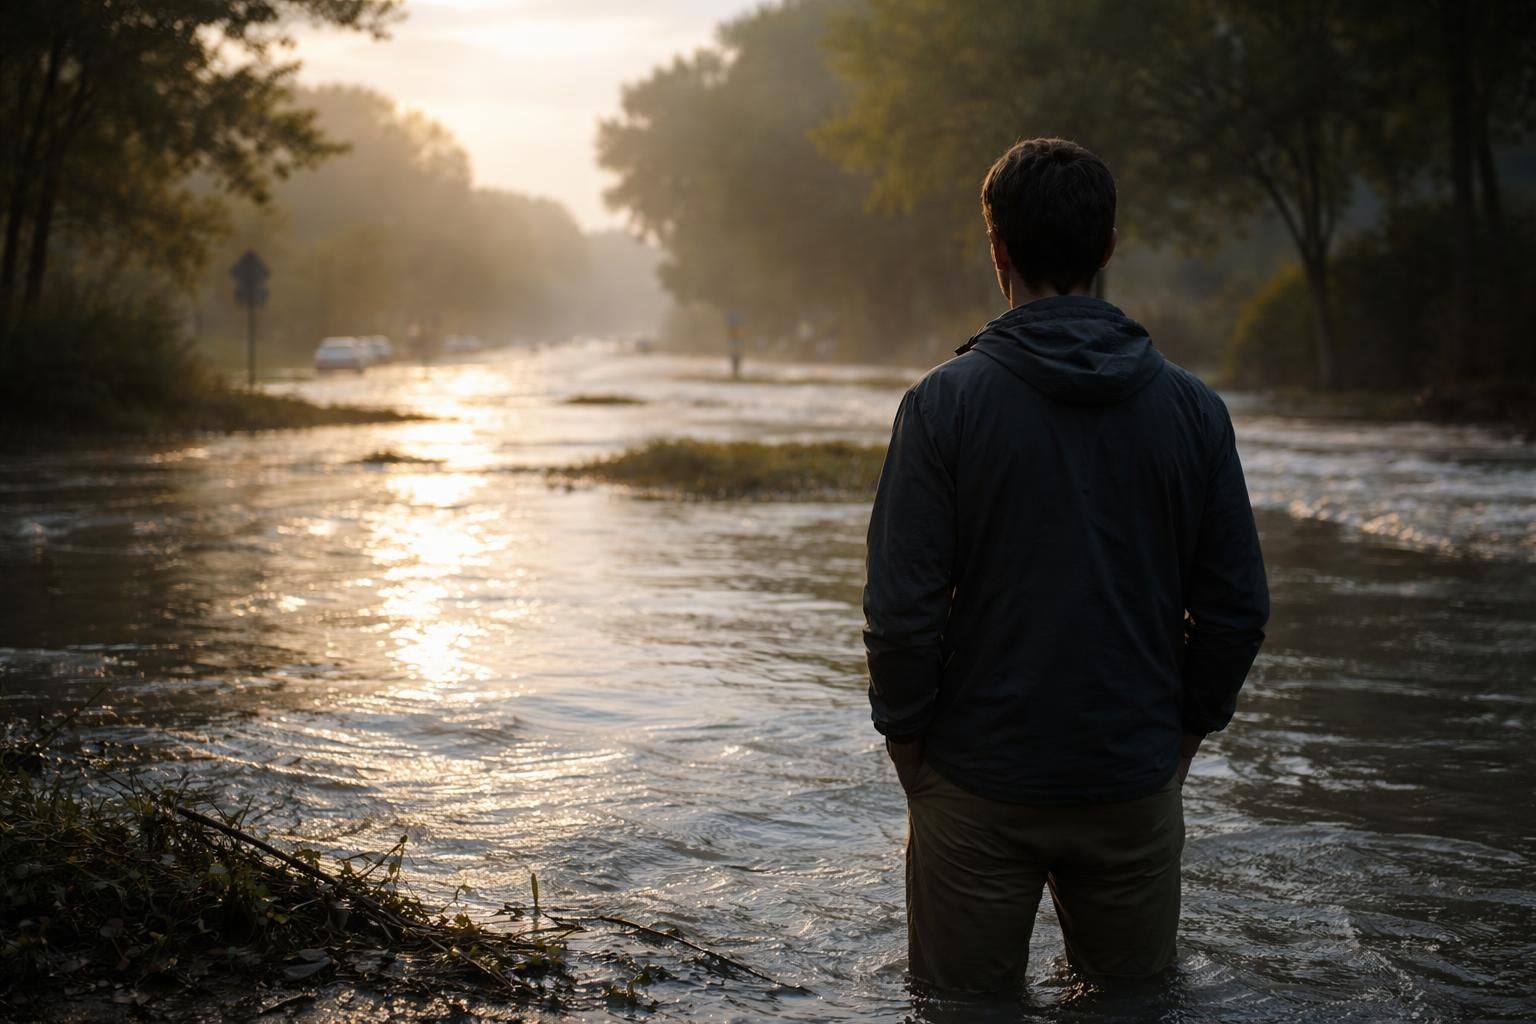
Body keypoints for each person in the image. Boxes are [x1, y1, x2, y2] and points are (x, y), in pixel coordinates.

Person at [863, 137, 1269, 993]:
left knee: (959, 1012)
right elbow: (1236, 610)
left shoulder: (943, 405)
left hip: (976, 784)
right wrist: (1180, 740)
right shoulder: (1195, 411)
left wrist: (912, 754)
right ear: (1110, 248)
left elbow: (903, 613)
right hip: (1131, 783)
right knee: (1133, 1009)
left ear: (997, 249)